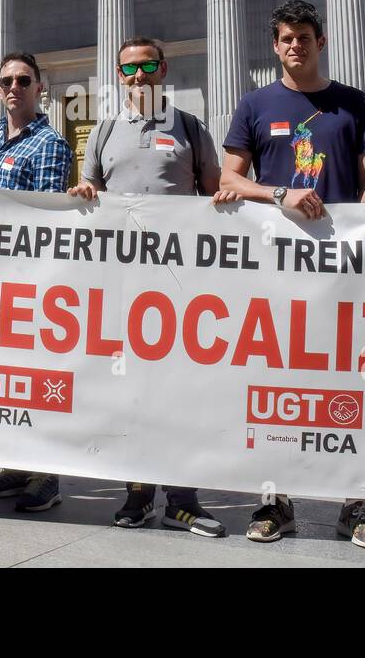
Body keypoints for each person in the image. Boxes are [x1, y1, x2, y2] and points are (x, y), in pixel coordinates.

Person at [220, 0, 365, 548]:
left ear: (322, 42)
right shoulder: (254, 104)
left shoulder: (353, 103)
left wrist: (359, 237)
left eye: (305, 37)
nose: (296, 46)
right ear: (275, 46)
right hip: (276, 269)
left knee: (349, 383)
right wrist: (281, 193)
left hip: (343, 267)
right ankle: (276, 502)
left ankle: (355, 505)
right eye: (287, 38)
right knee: (276, 384)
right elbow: (228, 178)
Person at [68, 36, 238, 537]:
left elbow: (215, 193)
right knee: (129, 390)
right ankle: (137, 494)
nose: (138, 76)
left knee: (178, 391)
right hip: (123, 282)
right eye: (129, 69)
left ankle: (183, 499)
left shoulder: (189, 127)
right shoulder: (103, 129)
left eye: (147, 66)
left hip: (178, 283)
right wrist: (83, 193)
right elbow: (89, 191)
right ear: (118, 76)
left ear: (163, 70)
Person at [0, 52, 73, 513]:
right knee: (5, 375)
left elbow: (46, 217)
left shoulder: (50, 143)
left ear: (40, 88)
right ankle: (15, 464)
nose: (14, 87)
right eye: (6, 81)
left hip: (30, 278)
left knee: (38, 375)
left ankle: (46, 475)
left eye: (23, 80)